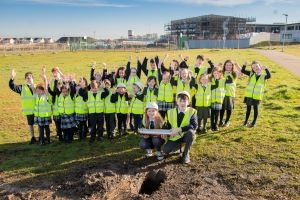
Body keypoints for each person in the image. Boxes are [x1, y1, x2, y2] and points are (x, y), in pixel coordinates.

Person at [163, 91, 197, 164]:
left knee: (191, 133)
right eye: (180, 101)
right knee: (165, 150)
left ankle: (186, 154)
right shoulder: (170, 112)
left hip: (186, 135)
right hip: (175, 136)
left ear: (188, 102)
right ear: (177, 102)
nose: (182, 103)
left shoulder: (192, 111)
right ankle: (179, 147)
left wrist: (179, 129)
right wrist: (166, 133)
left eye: (184, 101)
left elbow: (194, 125)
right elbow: (168, 125)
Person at [9, 69, 37, 144]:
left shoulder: (37, 86)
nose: (29, 79)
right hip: (30, 111)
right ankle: (33, 137)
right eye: (27, 78)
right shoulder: (22, 88)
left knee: (41, 124)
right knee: (31, 125)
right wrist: (12, 78)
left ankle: (41, 137)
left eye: (30, 77)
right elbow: (12, 86)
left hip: (39, 110)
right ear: (25, 79)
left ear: (33, 78)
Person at [241, 61, 271, 127]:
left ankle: (254, 122)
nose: (256, 68)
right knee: (248, 109)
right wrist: (244, 64)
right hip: (249, 95)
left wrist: (266, 69)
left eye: (257, 66)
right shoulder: (251, 74)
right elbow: (243, 70)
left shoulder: (264, 76)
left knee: (255, 109)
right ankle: (245, 122)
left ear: (260, 66)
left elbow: (269, 76)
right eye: (254, 67)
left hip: (257, 96)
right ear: (252, 69)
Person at [219, 60, 241, 127]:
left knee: (229, 108)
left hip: (230, 94)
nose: (228, 66)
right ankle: (220, 121)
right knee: (222, 108)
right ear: (224, 66)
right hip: (222, 94)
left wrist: (237, 65)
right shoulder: (222, 73)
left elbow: (241, 72)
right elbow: (213, 72)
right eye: (227, 65)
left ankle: (227, 121)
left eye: (230, 65)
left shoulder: (234, 73)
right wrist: (218, 65)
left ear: (232, 66)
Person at [34, 67, 52, 144]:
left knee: (47, 128)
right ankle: (42, 141)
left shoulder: (46, 96)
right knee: (40, 129)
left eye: (39, 90)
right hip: (39, 116)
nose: (38, 91)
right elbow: (32, 88)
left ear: (42, 90)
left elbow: (46, 87)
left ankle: (48, 139)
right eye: (37, 90)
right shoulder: (36, 96)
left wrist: (45, 78)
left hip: (46, 115)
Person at [210, 67, 225, 131]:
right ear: (212, 73)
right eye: (215, 73)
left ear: (220, 73)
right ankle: (212, 124)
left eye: (218, 73)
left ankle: (215, 124)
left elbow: (225, 89)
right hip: (212, 99)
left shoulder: (223, 80)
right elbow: (210, 88)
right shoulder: (210, 80)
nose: (216, 74)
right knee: (212, 113)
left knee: (217, 113)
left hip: (219, 100)